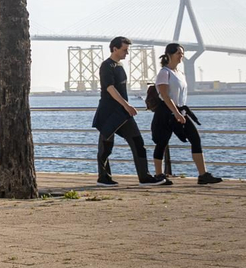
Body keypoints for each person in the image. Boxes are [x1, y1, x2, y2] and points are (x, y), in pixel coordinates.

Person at [95, 37, 168, 187]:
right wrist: (127, 105)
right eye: (124, 50)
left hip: (122, 113)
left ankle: (144, 177)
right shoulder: (106, 66)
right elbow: (110, 88)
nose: (127, 53)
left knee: (138, 143)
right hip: (108, 113)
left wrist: (125, 107)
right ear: (114, 49)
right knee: (105, 147)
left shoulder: (119, 65)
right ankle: (103, 177)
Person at [151, 43, 224, 185]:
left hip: (180, 110)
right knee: (162, 142)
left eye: (182, 53)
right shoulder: (164, 73)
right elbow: (165, 96)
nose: (181, 56)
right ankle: (159, 175)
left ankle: (203, 175)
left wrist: (180, 113)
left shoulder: (180, 73)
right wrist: (176, 113)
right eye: (178, 53)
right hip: (166, 112)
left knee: (195, 139)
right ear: (169, 55)